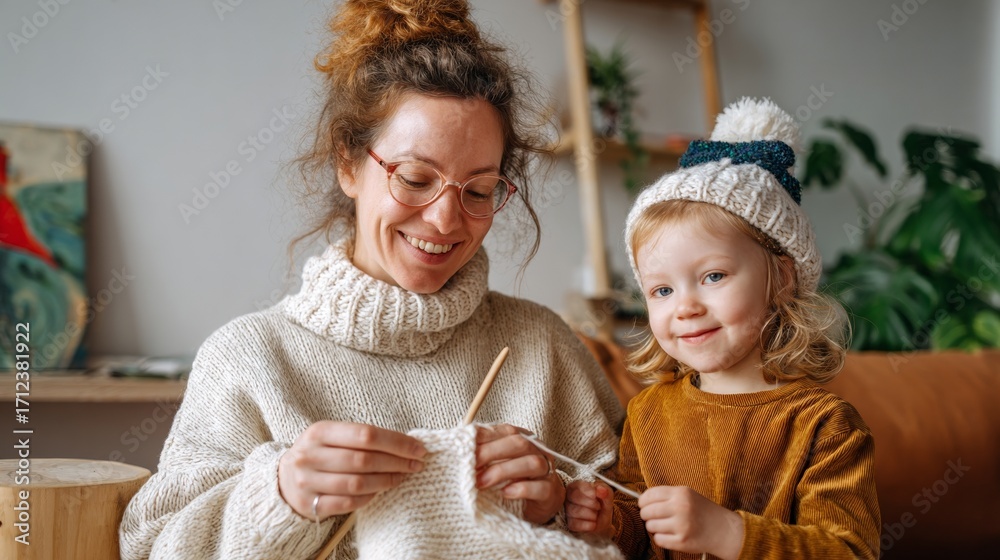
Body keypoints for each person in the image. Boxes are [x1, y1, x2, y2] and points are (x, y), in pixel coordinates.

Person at [119, 1, 623, 558]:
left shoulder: (543, 347)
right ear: (348, 163)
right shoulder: (248, 360)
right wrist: (279, 496)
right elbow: (151, 547)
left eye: (478, 190)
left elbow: (649, 526)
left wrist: (564, 511)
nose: (444, 220)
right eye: (414, 178)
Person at [564, 98, 881, 560]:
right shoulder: (648, 413)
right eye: (662, 291)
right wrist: (611, 520)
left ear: (782, 279)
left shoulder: (824, 427)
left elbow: (850, 552)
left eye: (713, 276)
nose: (686, 307)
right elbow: (641, 525)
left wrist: (730, 534)